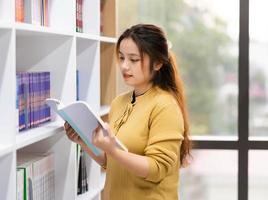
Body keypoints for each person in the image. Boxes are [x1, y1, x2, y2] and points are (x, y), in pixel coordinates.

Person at [64, 24, 191, 200]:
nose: (124, 66)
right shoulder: (118, 103)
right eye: (121, 57)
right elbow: (112, 162)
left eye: (134, 59)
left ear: (158, 63)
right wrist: (83, 141)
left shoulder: (165, 106)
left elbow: (157, 169)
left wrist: (114, 152)